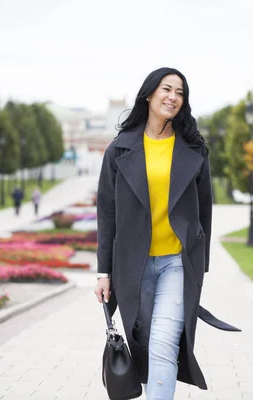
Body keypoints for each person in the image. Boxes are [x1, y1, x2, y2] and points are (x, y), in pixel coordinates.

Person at [94, 67, 239, 399]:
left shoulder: (194, 150)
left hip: (176, 263)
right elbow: (107, 214)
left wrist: (198, 265)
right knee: (144, 342)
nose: (173, 97)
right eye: (167, 89)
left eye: (180, 92)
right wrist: (104, 272)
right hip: (134, 265)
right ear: (149, 94)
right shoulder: (119, 150)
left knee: (164, 341)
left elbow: (205, 210)